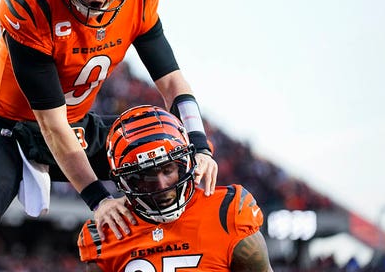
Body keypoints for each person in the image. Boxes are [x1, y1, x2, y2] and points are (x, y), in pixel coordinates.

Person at [0, 0, 218, 271]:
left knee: (172, 165)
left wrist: (199, 144)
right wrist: (99, 200)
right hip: (11, 129)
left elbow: (172, 81)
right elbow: (51, 124)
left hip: (76, 124)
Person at [78, 105, 273, 272]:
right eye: (147, 176)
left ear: (185, 164)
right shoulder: (107, 231)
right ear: (127, 180)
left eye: (168, 170)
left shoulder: (227, 213)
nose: (161, 185)